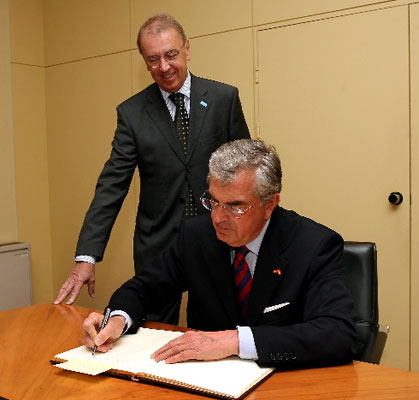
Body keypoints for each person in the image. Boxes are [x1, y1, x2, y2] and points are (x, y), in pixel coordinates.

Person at [82, 139, 358, 368]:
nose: (218, 218)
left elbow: (338, 334)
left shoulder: (313, 245)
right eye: (213, 201)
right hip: (207, 380)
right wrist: (117, 320)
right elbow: (143, 288)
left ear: (270, 203)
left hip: (282, 380)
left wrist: (234, 341)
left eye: (235, 206)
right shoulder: (196, 236)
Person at [54, 14, 250, 324]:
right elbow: (112, 185)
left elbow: (246, 171)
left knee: (217, 335)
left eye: (171, 54)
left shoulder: (223, 99)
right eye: (153, 59)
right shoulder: (132, 114)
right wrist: (86, 257)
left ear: (187, 48)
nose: (164, 67)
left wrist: (253, 231)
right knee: (152, 338)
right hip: (158, 246)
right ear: (144, 61)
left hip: (218, 238)